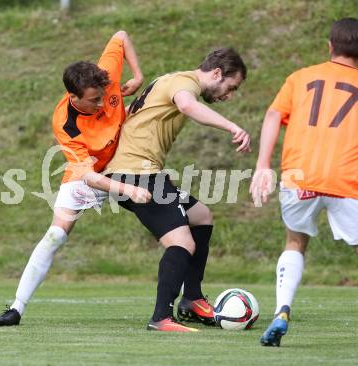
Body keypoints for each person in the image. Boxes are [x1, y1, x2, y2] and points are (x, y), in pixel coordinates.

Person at [0, 30, 151, 326]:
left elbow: (121, 35)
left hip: (126, 161)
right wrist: (127, 190)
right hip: (93, 173)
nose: (102, 104)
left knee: (181, 218)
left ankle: (188, 299)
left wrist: (138, 76)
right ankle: (16, 308)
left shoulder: (104, 75)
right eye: (93, 100)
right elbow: (89, 177)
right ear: (73, 96)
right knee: (55, 235)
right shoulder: (65, 123)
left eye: (103, 95)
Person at [105, 47, 251, 332]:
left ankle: (192, 299)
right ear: (217, 73)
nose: (229, 95)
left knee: (201, 216)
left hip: (142, 172)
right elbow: (186, 105)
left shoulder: (173, 78)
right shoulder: (185, 85)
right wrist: (232, 127)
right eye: (230, 87)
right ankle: (161, 317)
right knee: (182, 243)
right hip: (136, 174)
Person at [250, 17, 358, 347]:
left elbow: (272, 115)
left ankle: (282, 310)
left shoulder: (300, 78)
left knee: (295, 241)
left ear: (330, 46)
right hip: (347, 179)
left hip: (300, 177)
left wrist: (262, 165)